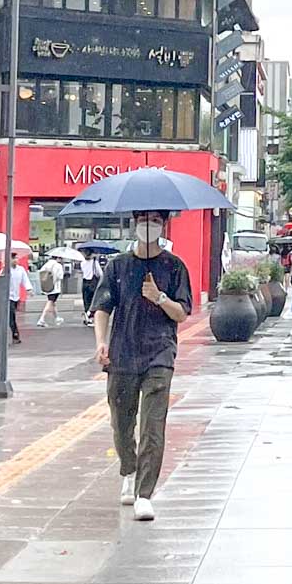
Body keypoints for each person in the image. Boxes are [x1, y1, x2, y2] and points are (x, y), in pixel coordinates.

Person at [94, 210, 193, 523]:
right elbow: (102, 306)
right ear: (134, 224)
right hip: (122, 354)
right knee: (122, 424)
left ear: (163, 225)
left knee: (153, 425)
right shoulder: (117, 266)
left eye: (154, 220)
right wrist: (101, 341)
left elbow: (181, 313)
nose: (147, 225)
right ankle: (129, 469)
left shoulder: (174, 267)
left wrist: (159, 297)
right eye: (142, 219)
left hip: (159, 355)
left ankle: (144, 494)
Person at [35, 254, 67, 328]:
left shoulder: (46, 264)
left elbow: (41, 273)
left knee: (53, 302)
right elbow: (60, 276)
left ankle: (57, 318)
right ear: (58, 258)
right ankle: (42, 319)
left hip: (48, 286)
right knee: (50, 302)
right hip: (55, 288)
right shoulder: (58, 265)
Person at [7, 254, 33, 343]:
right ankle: (15, 334)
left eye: (16, 258)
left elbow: (25, 280)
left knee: (12, 316)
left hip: (16, 296)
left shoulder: (20, 269)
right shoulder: (6, 269)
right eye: (13, 258)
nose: (15, 260)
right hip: (7, 297)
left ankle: (14, 334)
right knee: (11, 316)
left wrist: (29, 289)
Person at [79, 251, 101, 326]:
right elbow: (100, 274)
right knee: (93, 301)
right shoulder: (95, 263)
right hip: (93, 283)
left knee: (86, 300)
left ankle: (87, 316)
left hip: (85, 283)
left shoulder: (82, 263)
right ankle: (90, 318)